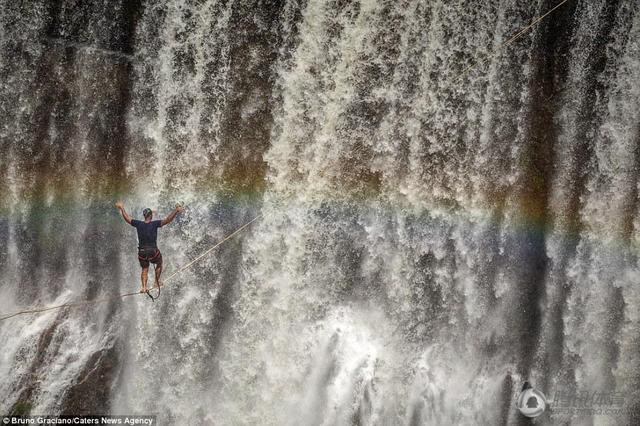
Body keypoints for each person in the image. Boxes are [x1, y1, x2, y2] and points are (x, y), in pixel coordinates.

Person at [115, 201, 184, 294]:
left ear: (144, 216)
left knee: (144, 269)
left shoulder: (138, 224)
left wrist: (122, 208)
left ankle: (143, 287)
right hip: (152, 251)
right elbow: (168, 219)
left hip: (142, 252)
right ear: (151, 216)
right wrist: (176, 211)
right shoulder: (155, 224)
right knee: (159, 263)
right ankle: (156, 282)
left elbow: (127, 218)